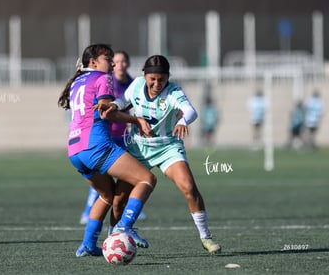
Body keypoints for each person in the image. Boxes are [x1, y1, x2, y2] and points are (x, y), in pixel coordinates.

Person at [97, 55, 221, 254]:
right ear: (145, 76)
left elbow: (190, 111)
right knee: (119, 199)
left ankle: (205, 237)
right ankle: (113, 241)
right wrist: (114, 106)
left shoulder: (173, 92)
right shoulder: (137, 85)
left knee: (189, 188)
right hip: (138, 149)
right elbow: (123, 100)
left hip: (167, 149)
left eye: (161, 79)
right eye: (152, 79)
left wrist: (182, 121)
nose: (156, 83)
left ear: (167, 78)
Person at [58, 44, 157, 257]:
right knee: (146, 179)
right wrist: (135, 120)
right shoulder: (103, 78)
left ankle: (87, 244)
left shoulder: (77, 81)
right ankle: (125, 226)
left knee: (106, 195)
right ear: (93, 62)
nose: (112, 63)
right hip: (96, 145)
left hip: (74, 150)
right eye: (107, 59)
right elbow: (106, 112)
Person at [79, 50, 147, 225]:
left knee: (126, 176)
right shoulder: (107, 80)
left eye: (123, 61)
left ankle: (128, 209)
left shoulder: (132, 83)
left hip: (123, 135)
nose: (119, 65)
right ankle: (89, 210)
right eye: (115, 61)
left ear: (128, 64)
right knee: (108, 181)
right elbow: (103, 110)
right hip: (105, 137)